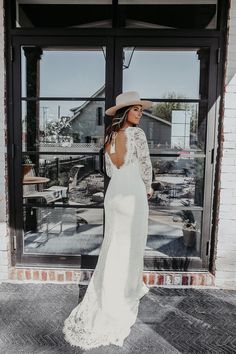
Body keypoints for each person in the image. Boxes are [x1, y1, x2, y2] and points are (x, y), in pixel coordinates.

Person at [62, 91, 154, 350]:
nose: (140, 114)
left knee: (113, 245)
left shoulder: (111, 137)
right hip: (132, 194)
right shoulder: (137, 135)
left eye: (140, 110)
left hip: (114, 195)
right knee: (132, 244)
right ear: (126, 112)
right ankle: (126, 289)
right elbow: (145, 164)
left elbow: (110, 170)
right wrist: (148, 187)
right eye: (136, 110)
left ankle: (111, 288)